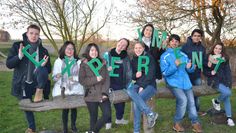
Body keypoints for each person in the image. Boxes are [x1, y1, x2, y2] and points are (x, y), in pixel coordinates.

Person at [6, 24, 51, 133]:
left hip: (37, 82)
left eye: (36, 34)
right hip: (23, 82)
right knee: (26, 105)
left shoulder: (43, 50)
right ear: (27, 34)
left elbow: (48, 69)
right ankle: (32, 127)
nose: (34, 36)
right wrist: (19, 56)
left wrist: (45, 65)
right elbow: (9, 64)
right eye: (31, 33)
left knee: (41, 69)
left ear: (39, 35)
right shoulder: (17, 46)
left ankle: (39, 91)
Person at [160, 34, 202, 133]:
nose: (174, 43)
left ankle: (195, 122)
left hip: (186, 82)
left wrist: (190, 67)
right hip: (173, 82)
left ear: (179, 43)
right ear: (169, 42)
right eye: (172, 41)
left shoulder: (183, 55)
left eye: (176, 41)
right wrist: (175, 65)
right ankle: (177, 123)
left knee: (191, 102)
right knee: (183, 100)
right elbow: (165, 73)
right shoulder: (165, 56)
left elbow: (190, 70)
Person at [52, 41, 84, 133]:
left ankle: (73, 126)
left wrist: (74, 78)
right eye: (68, 48)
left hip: (75, 89)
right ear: (64, 49)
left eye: (72, 49)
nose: (70, 50)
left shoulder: (78, 62)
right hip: (63, 89)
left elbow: (82, 77)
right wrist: (57, 76)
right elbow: (54, 77)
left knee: (74, 107)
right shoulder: (58, 61)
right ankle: (65, 128)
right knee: (65, 109)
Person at [126, 42, 158, 133]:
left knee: (136, 103)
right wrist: (135, 75)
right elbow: (131, 76)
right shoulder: (134, 59)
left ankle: (136, 131)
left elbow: (151, 75)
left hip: (150, 85)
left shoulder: (150, 58)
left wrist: (143, 86)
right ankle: (150, 113)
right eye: (136, 48)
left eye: (140, 48)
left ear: (143, 48)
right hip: (137, 84)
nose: (137, 50)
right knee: (129, 90)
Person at [79, 43, 111, 133]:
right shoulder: (84, 64)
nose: (94, 52)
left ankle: (92, 131)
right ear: (88, 51)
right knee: (93, 117)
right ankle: (93, 131)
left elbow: (107, 79)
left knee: (107, 114)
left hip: (102, 93)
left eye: (96, 50)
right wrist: (95, 79)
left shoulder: (103, 62)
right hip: (90, 95)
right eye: (92, 50)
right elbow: (82, 80)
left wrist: (105, 93)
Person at [204, 42, 235, 126]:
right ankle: (216, 101)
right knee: (227, 93)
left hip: (224, 80)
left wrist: (229, 82)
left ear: (222, 50)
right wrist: (211, 72)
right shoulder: (208, 57)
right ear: (213, 48)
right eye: (216, 48)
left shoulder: (224, 58)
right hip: (214, 80)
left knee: (227, 97)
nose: (217, 50)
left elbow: (227, 71)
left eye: (220, 49)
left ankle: (229, 118)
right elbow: (205, 71)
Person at [104, 38, 132, 129]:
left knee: (120, 102)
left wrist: (128, 84)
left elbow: (129, 71)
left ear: (125, 48)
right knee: (107, 102)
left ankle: (119, 118)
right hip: (108, 83)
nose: (121, 46)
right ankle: (108, 121)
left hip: (121, 83)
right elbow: (100, 68)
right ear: (117, 42)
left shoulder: (126, 57)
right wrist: (106, 69)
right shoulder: (107, 55)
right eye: (120, 43)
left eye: (124, 45)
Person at [181, 29, 207, 113]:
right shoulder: (185, 47)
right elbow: (180, 59)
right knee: (186, 94)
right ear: (192, 36)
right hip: (186, 75)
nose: (196, 37)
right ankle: (184, 111)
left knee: (197, 94)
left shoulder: (202, 48)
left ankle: (196, 110)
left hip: (197, 75)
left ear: (201, 37)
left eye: (198, 36)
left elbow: (203, 61)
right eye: (195, 35)